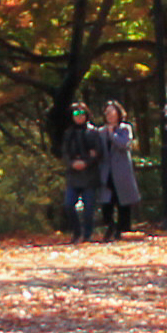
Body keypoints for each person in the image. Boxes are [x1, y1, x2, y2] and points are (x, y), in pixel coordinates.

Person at [57, 104, 106, 242]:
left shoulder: (93, 132)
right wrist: (72, 163)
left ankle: (87, 235)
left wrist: (86, 162)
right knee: (68, 204)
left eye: (82, 114)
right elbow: (65, 153)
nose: (79, 117)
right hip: (73, 175)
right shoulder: (68, 133)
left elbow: (98, 152)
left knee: (89, 207)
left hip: (89, 174)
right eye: (76, 115)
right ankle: (76, 232)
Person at [98, 101, 142, 239]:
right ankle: (110, 226)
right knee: (106, 202)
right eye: (107, 113)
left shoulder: (125, 128)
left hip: (121, 170)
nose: (109, 115)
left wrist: (112, 134)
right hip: (107, 171)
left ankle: (122, 230)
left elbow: (124, 144)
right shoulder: (101, 132)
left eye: (112, 112)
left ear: (118, 113)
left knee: (123, 201)